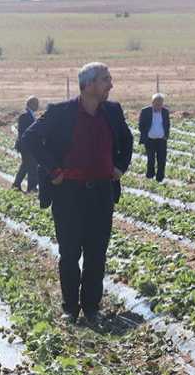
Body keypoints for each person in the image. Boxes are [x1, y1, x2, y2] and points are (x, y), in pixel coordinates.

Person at [20, 62, 133, 326]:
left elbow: (127, 140)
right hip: (68, 193)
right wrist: (53, 170)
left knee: (97, 252)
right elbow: (30, 138)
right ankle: (70, 308)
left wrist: (119, 166)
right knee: (70, 252)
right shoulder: (60, 112)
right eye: (105, 79)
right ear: (88, 84)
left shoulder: (112, 111)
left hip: (102, 191)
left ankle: (92, 308)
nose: (111, 84)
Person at [137, 93, 170, 182]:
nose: (159, 106)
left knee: (162, 159)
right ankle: (150, 175)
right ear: (152, 103)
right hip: (149, 140)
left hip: (161, 140)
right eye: (157, 104)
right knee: (151, 159)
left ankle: (160, 177)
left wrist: (166, 136)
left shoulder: (165, 112)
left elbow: (167, 125)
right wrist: (145, 134)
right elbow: (141, 125)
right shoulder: (145, 111)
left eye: (160, 104)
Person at [12, 96, 41, 192]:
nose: (38, 106)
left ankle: (16, 185)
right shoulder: (24, 116)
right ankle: (32, 188)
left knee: (25, 166)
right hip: (26, 146)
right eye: (36, 104)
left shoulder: (30, 115)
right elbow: (23, 132)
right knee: (32, 166)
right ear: (31, 104)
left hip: (28, 145)